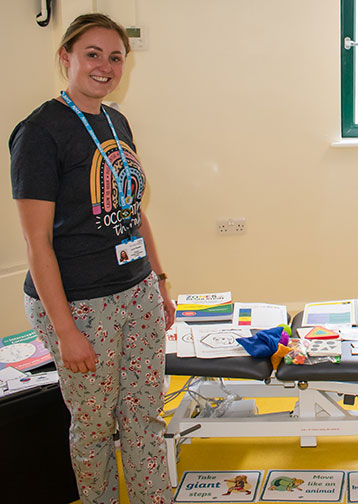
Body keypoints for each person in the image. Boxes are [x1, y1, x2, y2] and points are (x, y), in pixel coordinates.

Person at [10, 13, 174, 504]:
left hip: (137, 289)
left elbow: (133, 211)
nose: (105, 66)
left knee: (145, 414)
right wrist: (66, 332)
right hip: (81, 304)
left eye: (116, 57)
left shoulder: (115, 119)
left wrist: (159, 283)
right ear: (66, 58)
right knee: (95, 426)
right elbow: (36, 244)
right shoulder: (40, 133)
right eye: (93, 54)